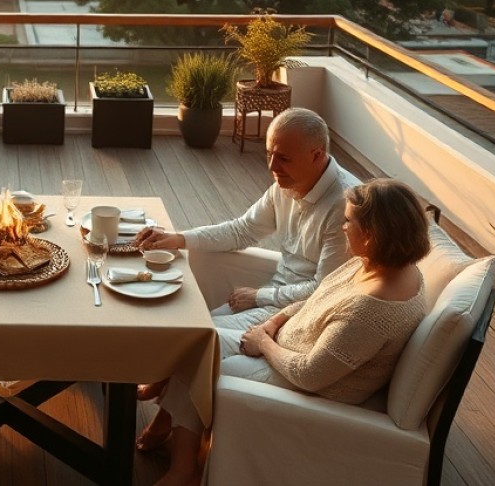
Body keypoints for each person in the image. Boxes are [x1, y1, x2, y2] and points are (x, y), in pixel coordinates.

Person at [148, 179, 429, 486]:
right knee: (198, 342)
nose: (342, 226)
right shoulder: (377, 264)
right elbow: (319, 297)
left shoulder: (373, 309)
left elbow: (311, 374)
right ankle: (175, 435)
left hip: (309, 385)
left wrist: (264, 343)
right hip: (286, 343)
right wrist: (273, 322)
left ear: (373, 234)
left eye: (348, 221)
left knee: (199, 364)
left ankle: (183, 471)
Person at [131, 107, 358, 450]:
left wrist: (260, 296)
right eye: (268, 154)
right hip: (278, 290)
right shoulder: (287, 181)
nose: (271, 167)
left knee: (199, 339)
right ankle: (166, 395)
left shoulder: (346, 206)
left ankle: (168, 422)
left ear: (317, 155)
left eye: (281, 158)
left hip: (299, 313)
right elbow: (242, 230)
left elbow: (323, 291)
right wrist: (178, 238)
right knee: (197, 329)